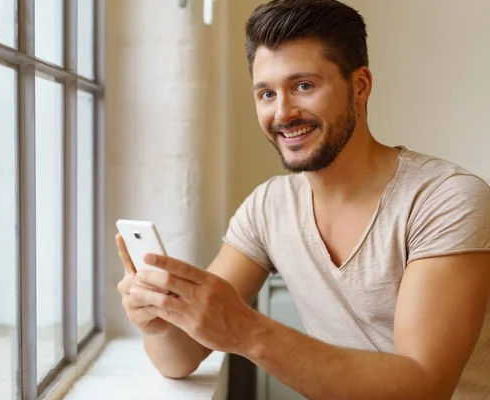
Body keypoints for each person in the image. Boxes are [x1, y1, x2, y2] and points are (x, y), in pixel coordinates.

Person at [116, 0, 490, 398]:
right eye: (266, 94)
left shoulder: (446, 199)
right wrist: (159, 321)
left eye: (304, 86)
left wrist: (246, 330)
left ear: (360, 86)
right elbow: (181, 357)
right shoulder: (268, 208)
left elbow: (424, 386)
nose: (283, 113)